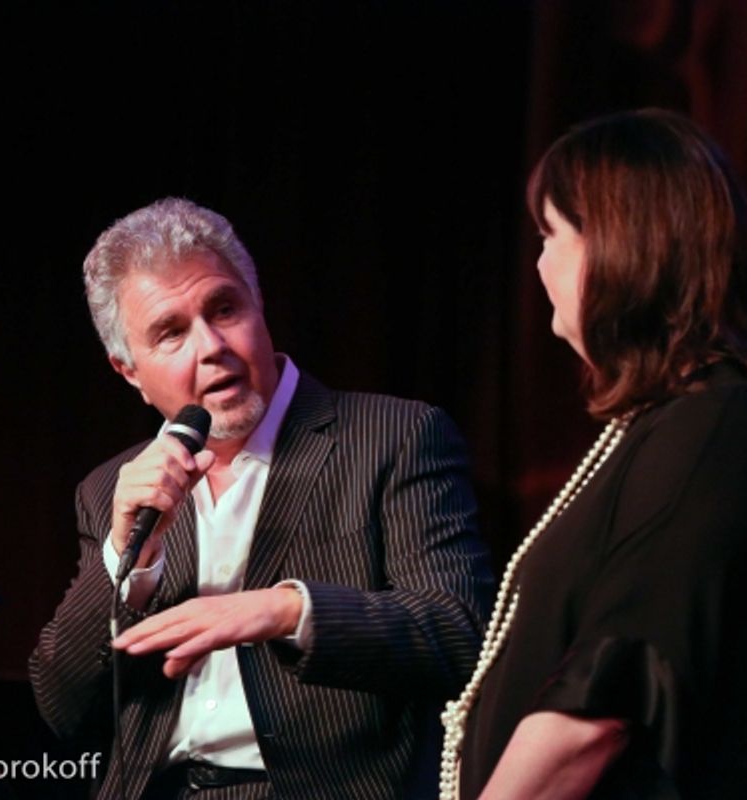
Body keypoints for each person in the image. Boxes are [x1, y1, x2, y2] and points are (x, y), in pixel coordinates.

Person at [441, 110, 747, 799]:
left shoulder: (721, 426)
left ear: (619, 246)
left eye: (551, 234)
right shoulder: (666, 425)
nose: (540, 261)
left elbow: (603, 701)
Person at [29, 197, 493, 800]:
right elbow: (61, 705)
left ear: (259, 304)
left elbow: (461, 632)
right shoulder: (109, 489)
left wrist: (286, 611)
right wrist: (125, 554)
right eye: (170, 333)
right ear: (129, 372)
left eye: (224, 309)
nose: (211, 346)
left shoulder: (395, 437)